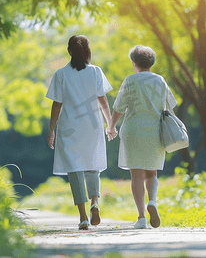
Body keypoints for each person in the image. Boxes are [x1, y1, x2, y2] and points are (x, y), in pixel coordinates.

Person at [46, 35, 113, 230]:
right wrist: (110, 124)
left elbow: (56, 105)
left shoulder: (61, 74)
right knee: (93, 166)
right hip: (92, 125)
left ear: (69, 51)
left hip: (69, 127)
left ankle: (83, 217)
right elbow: (103, 100)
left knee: (75, 170)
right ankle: (95, 202)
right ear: (88, 52)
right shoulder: (95, 72)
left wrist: (51, 130)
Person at [106, 45, 177, 229]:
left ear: (134, 63)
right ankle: (152, 201)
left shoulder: (131, 80)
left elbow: (118, 107)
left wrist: (111, 126)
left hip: (134, 131)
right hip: (155, 131)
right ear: (151, 63)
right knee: (152, 172)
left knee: (136, 175)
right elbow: (170, 105)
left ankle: (141, 218)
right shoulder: (160, 81)